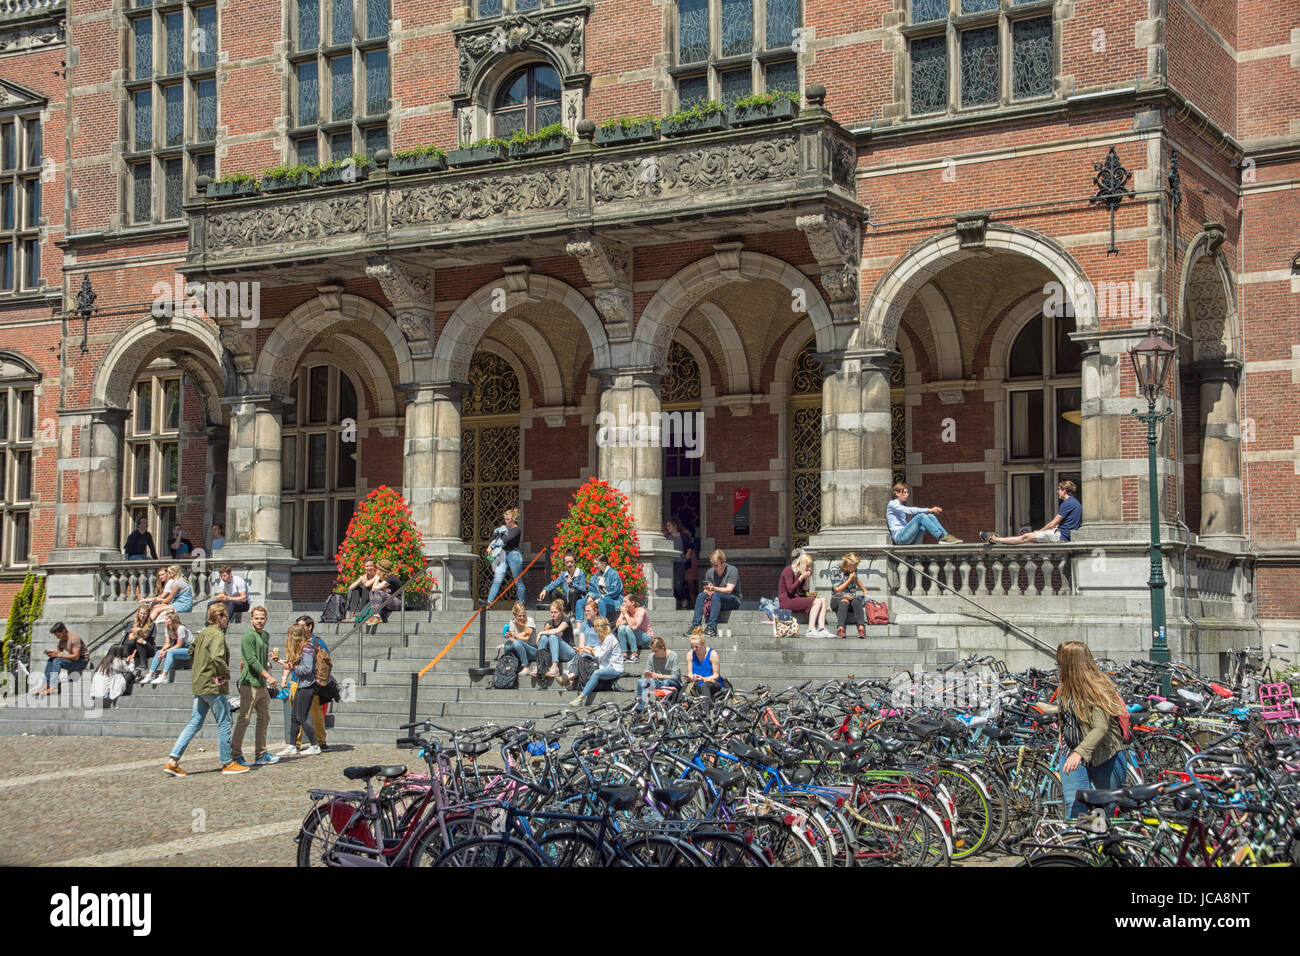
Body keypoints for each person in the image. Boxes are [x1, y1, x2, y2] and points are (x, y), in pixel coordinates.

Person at [163, 604, 249, 776]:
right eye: (226, 617)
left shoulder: (202, 633)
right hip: (213, 685)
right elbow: (217, 657)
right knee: (224, 722)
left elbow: (191, 651)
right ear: (219, 618)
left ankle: (173, 759)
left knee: (195, 722)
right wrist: (223, 673)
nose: (227, 620)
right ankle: (227, 762)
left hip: (199, 682)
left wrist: (201, 667)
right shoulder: (217, 634)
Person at [1055, 640, 1128, 818]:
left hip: (1103, 755)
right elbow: (1067, 715)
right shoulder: (1066, 685)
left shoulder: (1098, 688)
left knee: (1106, 808)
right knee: (1075, 804)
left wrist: (1079, 753)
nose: (1057, 665)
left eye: (1060, 661)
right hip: (1071, 752)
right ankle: (1078, 843)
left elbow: (1100, 727)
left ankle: (1106, 844)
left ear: (1070, 663)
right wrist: (1062, 734)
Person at [232, 605, 280, 767]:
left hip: (261, 684)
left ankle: (261, 753)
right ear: (251, 619)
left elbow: (261, 658)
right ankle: (236, 754)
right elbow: (251, 660)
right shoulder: (248, 637)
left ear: (266, 619)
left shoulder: (265, 635)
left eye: (262, 618)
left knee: (264, 718)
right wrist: (268, 676)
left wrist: (270, 662)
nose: (259, 621)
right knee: (244, 719)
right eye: (257, 618)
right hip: (249, 683)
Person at [980, 480, 1082, 546]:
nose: (1057, 492)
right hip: (1063, 534)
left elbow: (1053, 523)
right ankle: (997, 539)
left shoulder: (1068, 503)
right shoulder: (1075, 503)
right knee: (1027, 538)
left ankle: (994, 539)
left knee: (1025, 537)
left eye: (1059, 489)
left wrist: (1039, 532)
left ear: (1064, 490)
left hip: (1060, 536)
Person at [281, 615, 329, 751]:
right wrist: (284, 673)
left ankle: (317, 743)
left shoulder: (310, 646)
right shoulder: (298, 647)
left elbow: (310, 667)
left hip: (309, 684)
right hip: (299, 682)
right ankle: (293, 745)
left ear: (309, 627)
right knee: (295, 716)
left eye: (301, 626)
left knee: (307, 715)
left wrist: (293, 668)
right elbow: (292, 663)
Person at [569, 616, 624, 708]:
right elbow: (596, 649)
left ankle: (580, 698)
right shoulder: (601, 637)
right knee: (583, 658)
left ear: (599, 627)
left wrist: (589, 650)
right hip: (604, 664)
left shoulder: (609, 638)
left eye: (595, 626)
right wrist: (585, 649)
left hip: (615, 667)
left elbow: (600, 655)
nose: (593, 628)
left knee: (596, 673)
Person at [688, 549, 741, 638]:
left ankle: (711, 627)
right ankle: (695, 626)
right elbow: (709, 590)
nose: (715, 568)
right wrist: (707, 590)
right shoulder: (710, 572)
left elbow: (729, 589)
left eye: (717, 565)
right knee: (701, 595)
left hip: (733, 599)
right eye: (713, 565)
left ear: (723, 562)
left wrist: (714, 588)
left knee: (716, 595)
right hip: (715, 598)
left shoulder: (732, 570)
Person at [887, 482, 961, 545]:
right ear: (897, 493)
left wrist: (929, 512)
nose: (907, 494)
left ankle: (945, 536)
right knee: (921, 516)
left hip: (909, 538)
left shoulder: (900, 505)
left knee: (930, 516)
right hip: (900, 538)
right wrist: (929, 509)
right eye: (904, 492)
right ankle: (940, 537)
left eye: (907, 492)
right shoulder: (892, 504)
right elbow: (909, 510)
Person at [779, 552, 829, 637]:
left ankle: (821, 628)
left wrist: (806, 580)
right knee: (817, 601)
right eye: (807, 566)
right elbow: (790, 590)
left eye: (810, 566)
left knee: (822, 600)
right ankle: (810, 629)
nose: (808, 568)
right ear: (801, 564)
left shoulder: (801, 573)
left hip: (795, 599)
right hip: (786, 601)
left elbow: (803, 592)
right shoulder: (789, 570)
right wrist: (801, 578)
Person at [486, 507, 525, 605]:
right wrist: (490, 546)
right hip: (503, 554)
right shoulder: (503, 530)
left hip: (514, 555)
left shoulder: (516, 530)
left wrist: (501, 532)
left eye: (508, 519)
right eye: (505, 519)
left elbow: (506, 539)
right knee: (497, 579)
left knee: (518, 581)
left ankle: (521, 603)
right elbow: (496, 539)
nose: (506, 521)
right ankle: (489, 602)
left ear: (512, 520)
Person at [144, 611, 195, 683]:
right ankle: (150, 675)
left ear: (172, 620)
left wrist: (166, 651)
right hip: (179, 649)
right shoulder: (167, 628)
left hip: (190, 650)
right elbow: (167, 644)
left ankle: (164, 676)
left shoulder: (181, 628)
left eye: (167, 619)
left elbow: (179, 645)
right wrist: (162, 651)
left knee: (170, 652)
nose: (165, 621)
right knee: (159, 652)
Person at [38, 622, 88, 696]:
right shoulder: (61, 641)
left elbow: (76, 656)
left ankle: (54, 686)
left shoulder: (74, 638)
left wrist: (59, 655)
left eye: (58, 635)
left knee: (57, 660)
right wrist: (53, 654)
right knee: (51, 660)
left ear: (64, 631)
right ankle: (48, 684)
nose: (57, 637)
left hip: (82, 661)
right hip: (73, 660)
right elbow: (59, 653)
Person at [634, 636, 681, 711]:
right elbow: (649, 674)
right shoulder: (651, 657)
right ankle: (640, 710)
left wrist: (660, 676)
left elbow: (676, 676)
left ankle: (663, 709)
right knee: (641, 681)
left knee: (665, 682)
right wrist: (647, 675)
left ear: (662, 648)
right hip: (658, 681)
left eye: (656, 651)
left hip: (672, 682)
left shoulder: (673, 656)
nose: (654, 654)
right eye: (652, 651)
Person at [828, 552, 867, 640]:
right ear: (848, 564)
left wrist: (864, 590)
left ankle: (861, 628)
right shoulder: (835, 570)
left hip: (851, 598)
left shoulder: (852, 569)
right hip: (837, 599)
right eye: (854, 566)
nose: (855, 568)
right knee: (844, 601)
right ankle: (840, 629)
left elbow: (856, 579)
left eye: (856, 566)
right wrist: (849, 579)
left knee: (857, 601)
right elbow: (837, 590)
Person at [535, 599, 576, 679]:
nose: (553, 614)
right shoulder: (548, 623)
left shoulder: (566, 620)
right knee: (544, 638)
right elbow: (541, 643)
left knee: (553, 636)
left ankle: (555, 667)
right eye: (551, 612)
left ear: (561, 611)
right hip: (556, 653)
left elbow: (557, 630)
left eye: (555, 612)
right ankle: (539, 665)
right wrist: (542, 637)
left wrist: (540, 633)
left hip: (569, 652)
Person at [538, 550, 587, 617]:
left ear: (575, 561)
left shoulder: (581, 574)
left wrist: (573, 584)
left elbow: (583, 589)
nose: (569, 564)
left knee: (572, 591)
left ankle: (574, 614)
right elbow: (554, 584)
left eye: (571, 562)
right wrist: (545, 590)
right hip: (567, 601)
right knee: (553, 592)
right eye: (567, 562)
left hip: (577, 601)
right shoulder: (564, 575)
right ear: (565, 563)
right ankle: (557, 612)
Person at [665, 518, 695, 611]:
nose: (668, 528)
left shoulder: (683, 536)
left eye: (669, 525)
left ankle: (684, 599)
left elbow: (690, 545)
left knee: (678, 584)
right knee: (672, 585)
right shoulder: (667, 537)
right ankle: (679, 601)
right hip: (671, 563)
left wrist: (688, 553)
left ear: (675, 526)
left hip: (680, 563)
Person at [685, 629, 723, 700]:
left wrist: (703, 678)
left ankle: (706, 710)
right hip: (697, 682)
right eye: (692, 647)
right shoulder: (690, 654)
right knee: (686, 686)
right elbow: (690, 673)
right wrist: (691, 677)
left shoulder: (712, 654)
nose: (694, 649)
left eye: (696, 647)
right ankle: (680, 706)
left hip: (711, 682)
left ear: (703, 644)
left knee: (705, 685)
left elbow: (716, 676)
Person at [614, 595, 653, 663]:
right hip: (633, 638)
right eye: (623, 602)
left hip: (646, 640)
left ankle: (635, 655)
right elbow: (617, 624)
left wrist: (626, 615)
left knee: (628, 628)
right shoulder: (625, 611)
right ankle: (624, 654)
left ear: (632, 603)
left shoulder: (641, 611)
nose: (623, 604)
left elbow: (634, 627)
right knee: (621, 628)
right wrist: (627, 620)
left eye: (625, 601)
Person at [587, 553, 624, 621]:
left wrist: (601, 598)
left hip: (614, 601)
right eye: (594, 564)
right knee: (580, 602)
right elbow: (591, 586)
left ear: (603, 564)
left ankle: (602, 625)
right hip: (599, 599)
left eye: (596, 564)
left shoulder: (613, 574)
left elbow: (615, 591)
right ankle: (579, 627)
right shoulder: (596, 575)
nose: (595, 566)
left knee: (601, 602)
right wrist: (590, 596)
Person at [120, 605, 157, 672]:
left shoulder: (152, 624)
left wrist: (139, 631)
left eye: (145, 613)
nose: (142, 616)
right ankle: (129, 657)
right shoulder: (132, 622)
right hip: (133, 648)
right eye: (141, 613)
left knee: (139, 641)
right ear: (138, 613)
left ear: (148, 614)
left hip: (147, 647)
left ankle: (143, 664)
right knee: (131, 640)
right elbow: (128, 631)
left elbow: (146, 636)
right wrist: (135, 631)